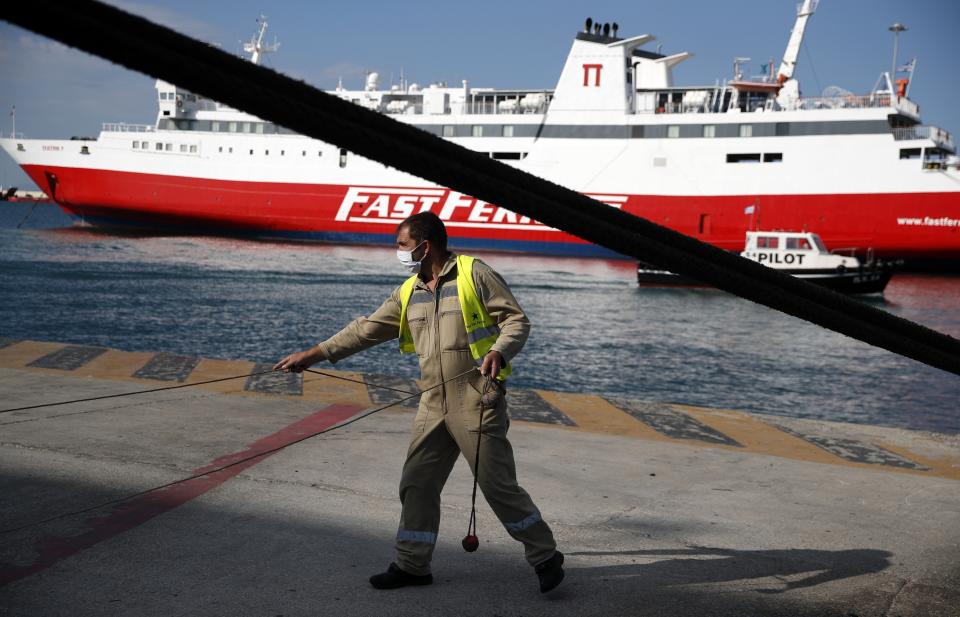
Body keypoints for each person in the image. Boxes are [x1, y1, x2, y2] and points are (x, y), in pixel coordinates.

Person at [274, 211, 564, 593]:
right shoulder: (409, 290)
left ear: (425, 246)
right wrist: (313, 354)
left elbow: (515, 321)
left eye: (402, 245)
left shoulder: (474, 274)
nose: (398, 252)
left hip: (475, 398)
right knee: (417, 483)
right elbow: (366, 329)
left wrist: (499, 351)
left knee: (498, 486)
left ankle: (545, 555)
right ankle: (412, 565)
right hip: (431, 401)